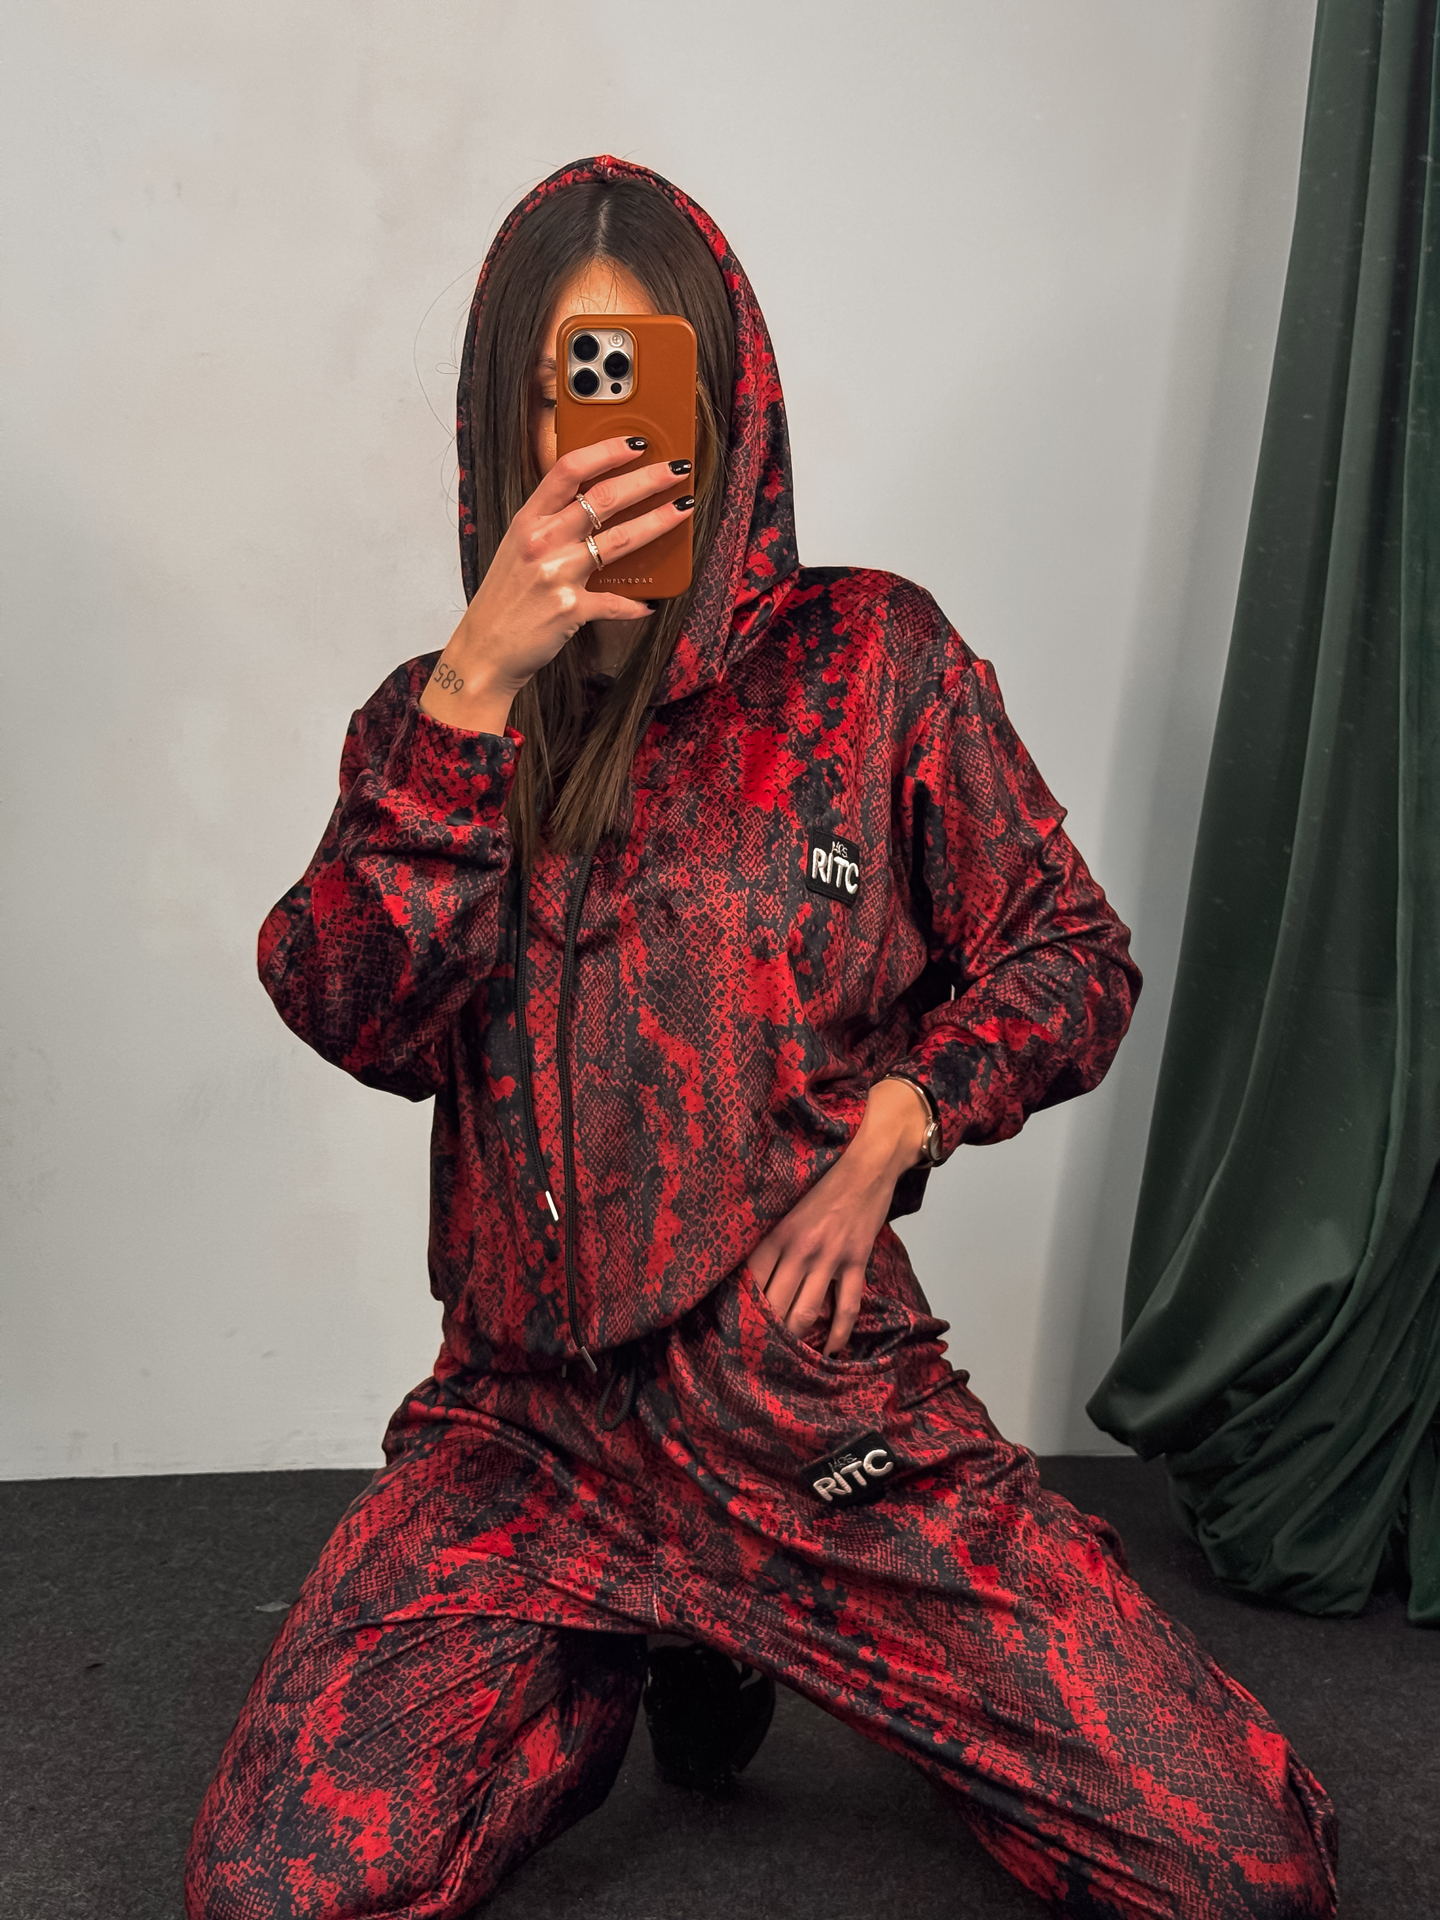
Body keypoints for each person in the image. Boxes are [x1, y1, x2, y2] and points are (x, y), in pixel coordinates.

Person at [186, 156, 1338, 1920]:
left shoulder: (872, 665)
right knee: (270, 1896)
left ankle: (801, 1630)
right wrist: (474, 693)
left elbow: (1069, 952)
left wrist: (906, 1117)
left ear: (726, 407)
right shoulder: (441, 725)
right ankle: (617, 1655)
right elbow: (347, 1003)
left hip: (812, 1413)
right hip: (532, 1436)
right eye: (560, 392)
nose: (600, 441)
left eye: (638, 384)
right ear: (499, 425)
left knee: (1246, 1871)